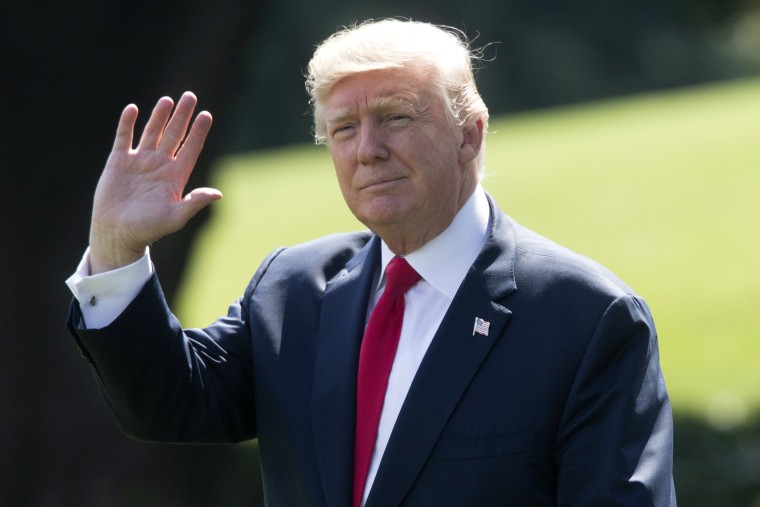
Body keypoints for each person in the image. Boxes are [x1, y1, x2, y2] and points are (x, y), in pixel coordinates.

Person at [66, 18, 676, 506]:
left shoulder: (587, 318)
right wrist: (119, 250)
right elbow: (169, 405)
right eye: (343, 129)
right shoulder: (292, 288)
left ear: (471, 133)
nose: (368, 150)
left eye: (396, 118)